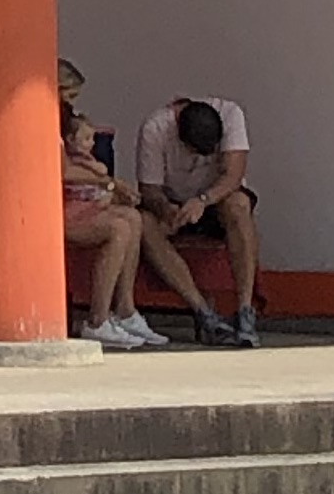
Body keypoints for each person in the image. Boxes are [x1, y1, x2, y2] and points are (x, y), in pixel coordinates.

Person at [135, 96, 262, 347]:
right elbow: (149, 189)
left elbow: (234, 174)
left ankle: (245, 310)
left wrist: (203, 200)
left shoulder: (231, 113)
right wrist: (166, 209)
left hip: (216, 199)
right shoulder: (155, 129)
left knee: (239, 205)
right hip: (175, 202)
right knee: (144, 223)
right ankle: (203, 312)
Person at [60, 77, 160, 352]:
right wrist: (108, 182)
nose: (70, 103)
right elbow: (63, 171)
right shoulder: (51, 127)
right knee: (118, 228)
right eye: (68, 95)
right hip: (61, 207)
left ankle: (125, 309)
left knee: (133, 218)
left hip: (79, 203)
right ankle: (97, 319)